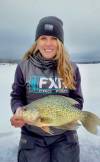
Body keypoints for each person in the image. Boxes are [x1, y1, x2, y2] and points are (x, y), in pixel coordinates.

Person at [10, 16, 84, 162]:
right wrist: (18, 110)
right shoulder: (23, 67)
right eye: (43, 38)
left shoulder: (72, 68)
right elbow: (17, 96)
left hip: (65, 135)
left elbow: (77, 101)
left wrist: (68, 118)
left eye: (54, 38)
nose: (48, 43)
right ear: (37, 41)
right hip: (32, 136)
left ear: (60, 42)